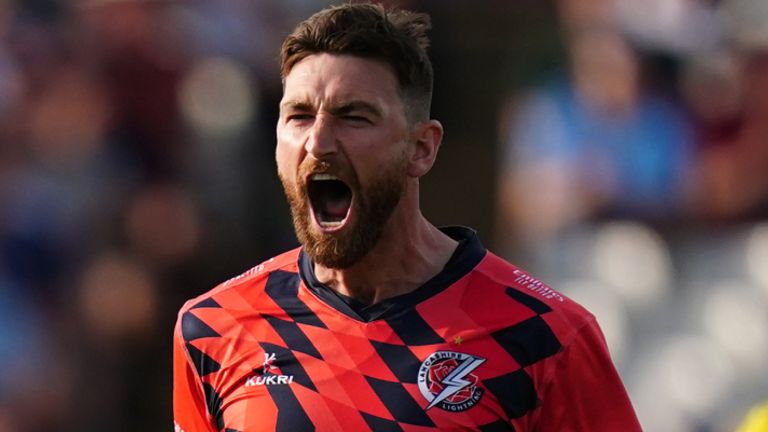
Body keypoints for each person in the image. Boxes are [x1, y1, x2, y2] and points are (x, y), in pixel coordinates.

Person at [173, 3, 641, 431]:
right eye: (298, 116)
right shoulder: (214, 328)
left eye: (353, 116)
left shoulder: (545, 336)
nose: (317, 142)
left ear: (421, 148)